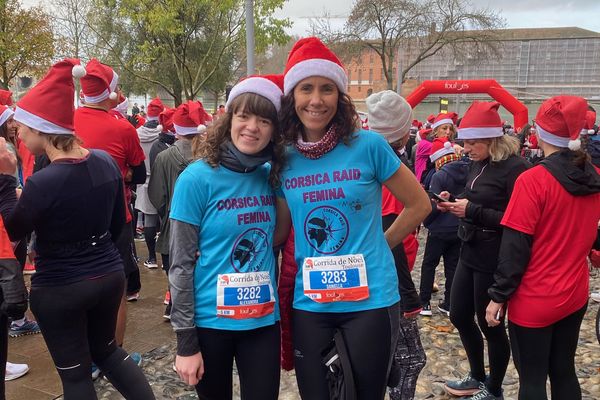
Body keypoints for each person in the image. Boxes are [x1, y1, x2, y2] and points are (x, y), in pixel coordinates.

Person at [276, 37, 430, 400]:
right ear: (292, 97)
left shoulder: (368, 145)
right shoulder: (283, 157)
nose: (316, 100)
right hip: (311, 302)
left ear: (340, 96)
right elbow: (280, 230)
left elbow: (419, 204)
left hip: (370, 300)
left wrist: (381, 243)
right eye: (306, 89)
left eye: (327, 89)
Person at [0, 59, 154, 400]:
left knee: (75, 377)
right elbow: (117, 224)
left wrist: (7, 181)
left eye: (23, 126)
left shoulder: (42, 182)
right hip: (107, 274)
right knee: (110, 353)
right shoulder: (101, 161)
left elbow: (14, 229)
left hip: (60, 287)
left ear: (42, 130)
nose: (18, 133)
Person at [169, 75, 286, 399]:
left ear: (274, 130)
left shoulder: (271, 176)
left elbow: (278, 238)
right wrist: (186, 343)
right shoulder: (196, 178)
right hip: (211, 325)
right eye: (244, 116)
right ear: (229, 119)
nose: (252, 127)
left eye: (264, 120)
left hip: (262, 323)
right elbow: (179, 265)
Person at [485, 95, 600, 400]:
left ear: (538, 129)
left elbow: (515, 246)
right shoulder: (595, 177)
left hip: (534, 298)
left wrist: (498, 295)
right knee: (564, 370)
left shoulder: (533, 180)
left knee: (532, 380)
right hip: (575, 292)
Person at [438, 101, 530, 400]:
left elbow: (517, 221)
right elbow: (475, 194)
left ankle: (494, 387)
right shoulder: (479, 161)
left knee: (489, 324)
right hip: (471, 248)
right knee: (458, 314)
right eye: (464, 142)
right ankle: (477, 375)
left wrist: (472, 210)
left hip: (495, 254)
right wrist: (454, 199)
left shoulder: (517, 169)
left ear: (493, 140)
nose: (466, 148)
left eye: (472, 142)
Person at [74, 58, 146, 370]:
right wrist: (125, 173)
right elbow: (140, 174)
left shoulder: (68, 121)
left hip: (71, 222)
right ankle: (113, 356)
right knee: (115, 291)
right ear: (110, 93)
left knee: (78, 287)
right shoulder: (122, 127)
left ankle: (83, 358)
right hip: (114, 221)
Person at [366, 90, 427, 400]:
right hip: (389, 282)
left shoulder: (370, 157)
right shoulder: (387, 164)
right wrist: (409, 298)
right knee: (410, 359)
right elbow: (388, 232)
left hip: (382, 280)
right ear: (400, 129)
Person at [148, 100, 210, 320]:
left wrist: (167, 213)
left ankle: (175, 303)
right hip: (206, 229)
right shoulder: (211, 159)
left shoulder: (164, 158)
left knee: (175, 268)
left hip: (172, 228)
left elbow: (156, 195)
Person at [418, 137, 469, 316]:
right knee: (452, 266)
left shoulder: (439, 175)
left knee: (429, 264)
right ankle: (449, 302)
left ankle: (424, 302)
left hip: (439, 227)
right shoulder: (468, 169)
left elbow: (432, 203)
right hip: (457, 226)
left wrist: (427, 222)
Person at [135, 97, 165, 270]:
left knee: (149, 221)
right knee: (165, 220)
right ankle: (165, 258)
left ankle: (152, 258)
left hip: (144, 181)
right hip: (161, 181)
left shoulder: (136, 133)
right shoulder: (163, 134)